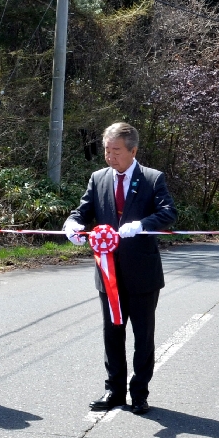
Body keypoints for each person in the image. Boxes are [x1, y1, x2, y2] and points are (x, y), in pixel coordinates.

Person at [63, 122, 177, 415]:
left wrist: (142, 225)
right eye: (106, 150)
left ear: (133, 151)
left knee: (143, 335)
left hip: (142, 273)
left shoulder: (152, 179)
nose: (110, 156)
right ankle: (114, 390)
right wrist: (73, 224)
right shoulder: (98, 178)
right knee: (112, 334)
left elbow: (168, 212)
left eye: (116, 151)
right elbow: (83, 210)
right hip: (108, 273)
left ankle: (139, 392)